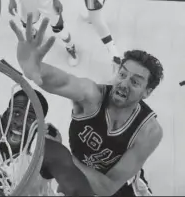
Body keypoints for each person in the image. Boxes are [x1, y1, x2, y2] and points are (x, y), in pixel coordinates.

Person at [10, 13, 164, 196]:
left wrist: (64, 156)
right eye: (122, 75)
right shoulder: (92, 96)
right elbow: (62, 81)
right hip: (78, 175)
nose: (124, 83)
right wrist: (35, 68)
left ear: (147, 92)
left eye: (135, 82)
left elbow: (108, 187)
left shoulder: (149, 131)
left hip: (121, 185)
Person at [0, 61, 95, 196]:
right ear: (6, 114)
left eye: (30, 118)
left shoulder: (47, 152)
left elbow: (80, 191)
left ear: (38, 126)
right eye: (16, 113)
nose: (19, 122)